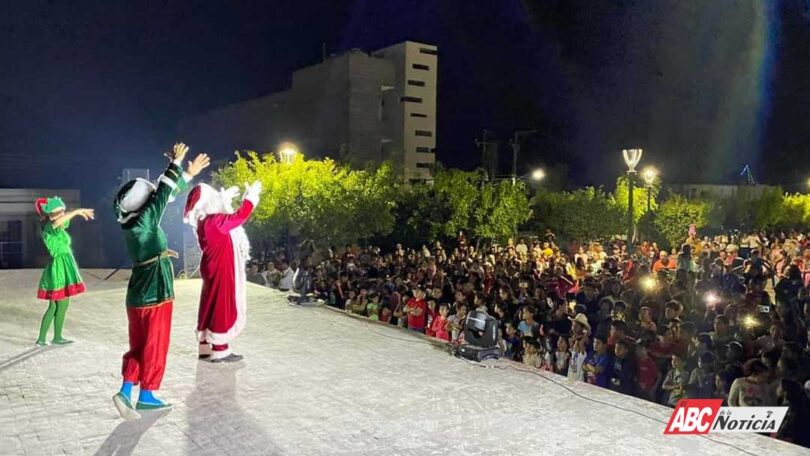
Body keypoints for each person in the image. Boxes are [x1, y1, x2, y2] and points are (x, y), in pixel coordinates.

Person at [111, 143, 209, 419]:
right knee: (155, 346)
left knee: (139, 346)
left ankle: (125, 391)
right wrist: (176, 164)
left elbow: (162, 198)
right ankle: (147, 395)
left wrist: (186, 173)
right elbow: (163, 194)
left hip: (137, 295)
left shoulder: (132, 222)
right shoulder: (146, 221)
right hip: (156, 292)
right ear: (144, 204)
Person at [184, 180, 262, 363]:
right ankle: (220, 348)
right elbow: (239, 217)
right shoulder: (214, 221)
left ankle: (204, 344)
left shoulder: (203, 221)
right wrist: (251, 198)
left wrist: (224, 200)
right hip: (221, 268)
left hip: (212, 266)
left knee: (209, 302)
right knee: (222, 304)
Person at [33, 197, 94, 346]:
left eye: (62, 211)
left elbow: (63, 220)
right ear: (49, 214)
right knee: (55, 305)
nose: (62, 213)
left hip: (65, 264)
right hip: (58, 267)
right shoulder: (48, 226)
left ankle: (56, 337)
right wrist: (78, 211)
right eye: (58, 211)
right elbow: (59, 221)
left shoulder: (57, 226)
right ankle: (42, 339)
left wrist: (75, 211)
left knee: (62, 305)